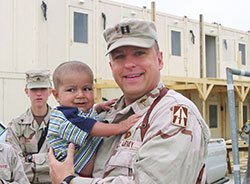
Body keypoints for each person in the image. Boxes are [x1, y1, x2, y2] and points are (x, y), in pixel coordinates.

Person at [49, 18, 211, 184]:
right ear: (112, 67)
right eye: (119, 57)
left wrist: (69, 181)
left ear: (160, 60)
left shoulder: (172, 114)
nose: (129, 64)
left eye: (139, 53)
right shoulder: (108, 114)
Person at [47, 61, 141, 176]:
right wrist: (121, 126)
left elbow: (84, 117)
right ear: (56, 95)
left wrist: (98, 107)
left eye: (86, 89)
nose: (80, 95)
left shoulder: (75, 113)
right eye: (71, 90)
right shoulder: (63, 118)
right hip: (76, 174)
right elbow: (91, 128)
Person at [6, 69, 52, 184]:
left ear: (50, 91)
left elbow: (63, 161)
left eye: (43, 89)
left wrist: (29, 159)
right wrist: (47, 161)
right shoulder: (16, 126)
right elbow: (14, 164)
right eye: (34, 89)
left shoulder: (60, 123)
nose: (38, 93)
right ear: (27, 91)